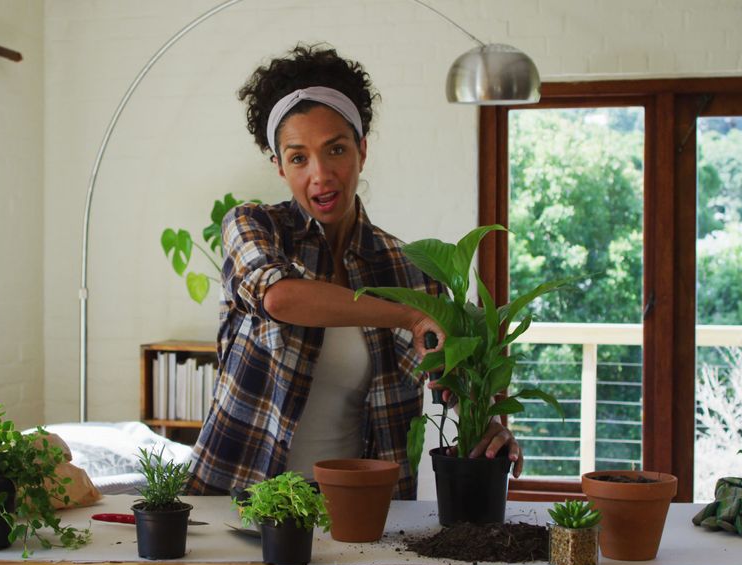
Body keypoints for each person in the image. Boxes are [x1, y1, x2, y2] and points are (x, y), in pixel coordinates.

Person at [186, 44, 521, 499]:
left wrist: (490, 425)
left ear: (362, 151)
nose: (320, 174)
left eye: (336, 149)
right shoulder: (253, 226)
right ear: (279, 167)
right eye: (299, 157)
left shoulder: (409, 270)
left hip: (359, 504)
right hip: (241, 494)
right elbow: (280, 298)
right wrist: (408, 316)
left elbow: (455, 382)